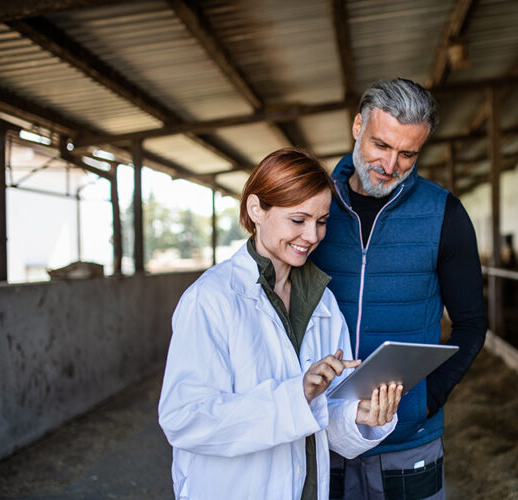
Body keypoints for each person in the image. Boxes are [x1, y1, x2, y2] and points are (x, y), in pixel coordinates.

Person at [158, 148, 403, 500]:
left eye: (321, 221)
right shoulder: (211, 299)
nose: (313, 235)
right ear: (257, 209)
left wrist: (360, 417)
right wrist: (296, 394)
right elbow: (185, 419)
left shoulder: (323, 302)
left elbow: (324, 415)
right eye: (298, 220)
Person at [310, 78, 487, 499]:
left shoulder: (444, 213)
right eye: (380, 145)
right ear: (357, 127)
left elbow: (471, 324)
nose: (390, 165)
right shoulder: (315, 206)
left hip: (408, 442)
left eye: (407, 153)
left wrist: (427, 398)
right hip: (322, 431)